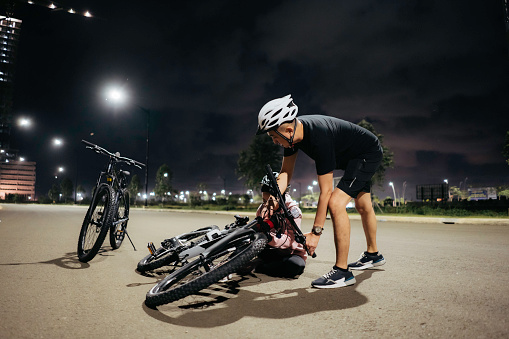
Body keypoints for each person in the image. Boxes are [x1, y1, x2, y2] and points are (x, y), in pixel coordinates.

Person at [256, 94, 386, 289]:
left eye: (274, 137)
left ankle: (342, 272)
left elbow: (326, 192)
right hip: (350, 156)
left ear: (288, 129)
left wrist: (316, 233)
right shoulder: (292, 139)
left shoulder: (319, 137)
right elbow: (285, 173)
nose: (274, 142)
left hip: (365, 153)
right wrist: (274, 198)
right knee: (362, 204)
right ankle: (373, 255)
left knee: (335, 202)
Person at [242, 172, 307, 278]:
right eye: (264, 201)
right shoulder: (262, 208)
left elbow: (289, 241)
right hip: (269, 250)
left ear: (282, 196)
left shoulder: (294, 212)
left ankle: (260, 266)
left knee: (296, 266)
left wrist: (268, 237)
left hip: (290, 253)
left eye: (269, 201)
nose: (267, 204)